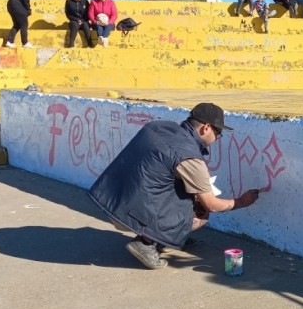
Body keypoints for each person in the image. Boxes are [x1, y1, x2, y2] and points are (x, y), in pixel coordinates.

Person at [88, 103, 260, 270]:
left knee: (187, 194)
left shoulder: (158, 126)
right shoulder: (189, 157)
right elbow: (212, 204)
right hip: (131, 213)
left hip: (111, 198)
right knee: (200, 214)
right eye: (218, 133)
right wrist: (240, 202)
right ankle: (147, 244)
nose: (217, 139)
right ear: (206, 128)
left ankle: (169, 237)